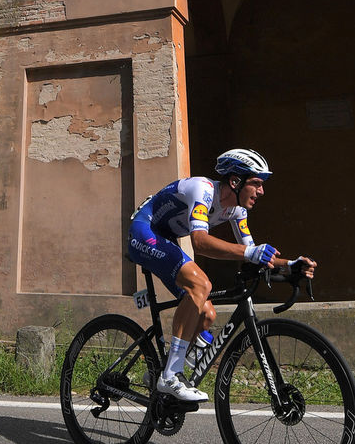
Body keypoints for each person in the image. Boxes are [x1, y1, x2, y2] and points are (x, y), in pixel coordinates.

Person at [126, 148, 317, 401]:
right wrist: (250, 254)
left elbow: (252, 253)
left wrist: (289, 265)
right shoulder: (202, 189)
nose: (262, 191)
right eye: (257, 184)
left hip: (166, 238)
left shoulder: (237, 210)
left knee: (207, 315)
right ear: (235, 182)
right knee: (200, 284)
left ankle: (158, 374)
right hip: (144, 230)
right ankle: (170, 376)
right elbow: (201, 243)